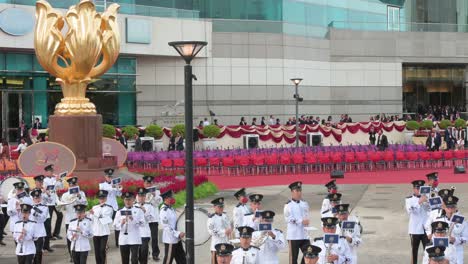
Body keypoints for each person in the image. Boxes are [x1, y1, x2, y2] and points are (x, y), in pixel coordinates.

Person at [113, 192, 145, 264]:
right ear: (124, 200)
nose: (128, 202)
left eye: (129, 200)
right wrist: (121, 223)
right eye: (126, 200)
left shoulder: (138, 210)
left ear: (133, 200)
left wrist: (133, 219)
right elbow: (115, 225)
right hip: (124, 239)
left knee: (134, 260)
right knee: (125, 260)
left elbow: (143, 224)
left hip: (134, 238)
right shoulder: (119, 211)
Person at [284, 181, 310, 264]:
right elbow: (288, 219)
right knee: (293, 259)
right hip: (293, 236)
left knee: (309, 254)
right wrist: (301, 221)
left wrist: (307, 223)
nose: (299, 193)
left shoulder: (305, 203)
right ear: (292, 192)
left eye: (300, 191)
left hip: (304, 235)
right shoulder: (288, 205)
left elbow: (306, 216)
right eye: (297, 191)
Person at [63, 177, 88, 261]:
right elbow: (63, 207)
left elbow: (86, 203)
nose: (74, 186)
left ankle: (80, 252)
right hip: (69, 219)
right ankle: (72, 255)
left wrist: (79, 196)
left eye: (75, 184)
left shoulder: (81, 193)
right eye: (72, 185)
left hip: (80, 219)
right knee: (70, 238)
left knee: (80, 235)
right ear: (69, 186)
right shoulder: (65, 195)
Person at [405, 180, 430, 264]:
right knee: (414, 251)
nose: (419, 190)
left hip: (426, 229)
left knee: (427, 250)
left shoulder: (427, 198)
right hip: (415, 229)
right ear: (414, 189)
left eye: (420, 188)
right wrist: (419, 202)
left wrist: (427, 201)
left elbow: (431, 210)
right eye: (417, 188)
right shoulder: (409, 199)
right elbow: (410, 210)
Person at [160, 190, 186, 264]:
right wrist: (177, 233)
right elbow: (166, 227)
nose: (172, 199)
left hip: (177, 240)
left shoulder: (171, 208)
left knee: (182, 259)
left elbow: (175, 222)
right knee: (168, 260)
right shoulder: (164, 211)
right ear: (166, 199)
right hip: (170, 240)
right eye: (170, 197)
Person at [99, 168, 122, 247]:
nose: (110, 178)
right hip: (106, 208)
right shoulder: (102, 185)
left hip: (114, 207)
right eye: (108, 176)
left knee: (117, 225)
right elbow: (105, 190)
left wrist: (118, 188)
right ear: (105, 176)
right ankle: (106, 243)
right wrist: (113, 187)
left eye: (111, 176)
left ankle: (118, 242)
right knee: (106, 225)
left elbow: (119, 195)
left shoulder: (114, 184)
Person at [89, 189, 113, 264]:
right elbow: (91, 220)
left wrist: (94, 214)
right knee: (97, 251)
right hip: (95, 232)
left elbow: (105, 220)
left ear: (106, 198)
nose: (101, 200)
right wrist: (89, 214)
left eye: (103, 198)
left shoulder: (109, 208)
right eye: (100, 198)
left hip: (104, 232)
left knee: (102, 250)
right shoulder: (94, 207)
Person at [143, 175, 162, 261]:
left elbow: (157, 203)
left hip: (154, 218)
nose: (148, 185)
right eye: (147, 183)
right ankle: (147, 253)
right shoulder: (141, 192)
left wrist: (154, 196)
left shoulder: (157, 192)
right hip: (145, 218)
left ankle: (155, 254)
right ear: (144, 183)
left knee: (154, 238)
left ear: (152, 183)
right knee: (145, 237)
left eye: (150, 183)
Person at [43, 164, 64, 241]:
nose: (52, 172)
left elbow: (61, 187)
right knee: (49, 219)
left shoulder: (55, 179)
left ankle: (56, 233)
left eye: (52, 171)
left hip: (55, 201)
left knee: (60, 216)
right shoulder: (44, 180)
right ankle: (48, 235)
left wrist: (60, 180)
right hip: (48, 202)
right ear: (46, 172)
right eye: (50, 171)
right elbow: (45, 190)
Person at [207, 197, 231, 264]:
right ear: (214, 207)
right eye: (219, 207)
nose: (221, 208)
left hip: (226, 243)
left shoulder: (225, 216)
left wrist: (229, 230)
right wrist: (224, 232)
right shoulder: (211, 218)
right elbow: (211, 231)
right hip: (216, 246)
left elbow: (229, 226)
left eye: (222, 207)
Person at [135, 187, 155, 264]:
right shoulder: (133, 206)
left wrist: (145, 212)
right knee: (136, 253)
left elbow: (151, 219)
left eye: (143, 196)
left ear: (145, 196)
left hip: (145, 233)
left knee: (144, 251)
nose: (141, 198)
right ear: (137, 196)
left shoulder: (149, 206)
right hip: (136, 233)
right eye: (140, 196)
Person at [30, 188, 48, 264]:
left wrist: (36, 213)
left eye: (39, 197)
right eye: (36, 198)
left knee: (38, 251)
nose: (37, 199)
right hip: (31, 231)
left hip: (40, 231)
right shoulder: (28, 207)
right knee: (31, 251)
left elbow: (43, 218)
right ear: (33, 198)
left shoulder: (44, 207)